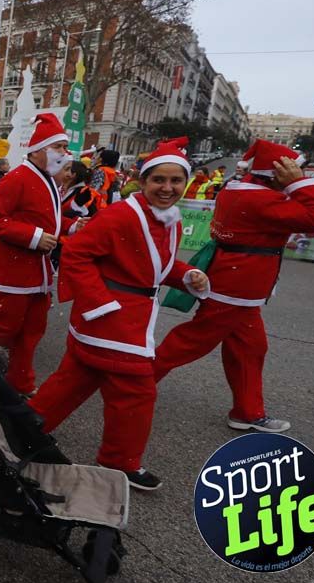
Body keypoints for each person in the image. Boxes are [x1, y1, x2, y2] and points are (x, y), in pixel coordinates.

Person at [27, 138, 210, 491]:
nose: (167, 188)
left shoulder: (168, 218)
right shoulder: (122, 214)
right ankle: (119, 463)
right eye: (159, 180)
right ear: (143, 181)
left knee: (73, 380)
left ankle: (21, 429)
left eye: (175, 181)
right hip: (114, 321)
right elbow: (77, 253)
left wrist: (186, 275)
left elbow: (155, 266)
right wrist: (99, 303)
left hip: (122, 318)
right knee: (136, 392)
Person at [153, 140, 314, 433]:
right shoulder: (260, 199)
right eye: (292, 168)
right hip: (238, 286)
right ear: (276, 172)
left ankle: (247, 411)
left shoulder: (242, 191)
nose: (298, 172)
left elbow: (313, 221)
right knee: (191, 342)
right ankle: (133, 381)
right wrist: (299, 184)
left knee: (249, 349)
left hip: (239, 284)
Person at [0, 113, 80, 396]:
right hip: (13, 273)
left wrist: (70, 228)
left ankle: (19, 382)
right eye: (59, 147)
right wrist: (33, 237)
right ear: (39, 149)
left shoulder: (45, 178)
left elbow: (45, 220)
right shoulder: (18, 178)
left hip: (36, 274)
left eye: (63, 147)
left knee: (32, 330)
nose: (64, 153)